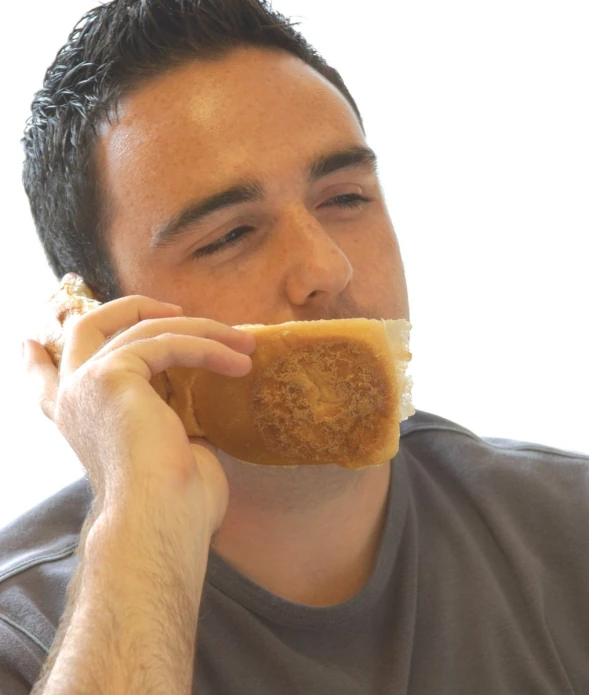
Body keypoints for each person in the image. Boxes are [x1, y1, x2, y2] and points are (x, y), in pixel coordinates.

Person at [1, 0, 587, 692]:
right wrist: (141, 516)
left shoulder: (567, 529)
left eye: (345, 198)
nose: (326, 269)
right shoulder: (25, 640)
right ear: (99, 327)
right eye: (228, 236)